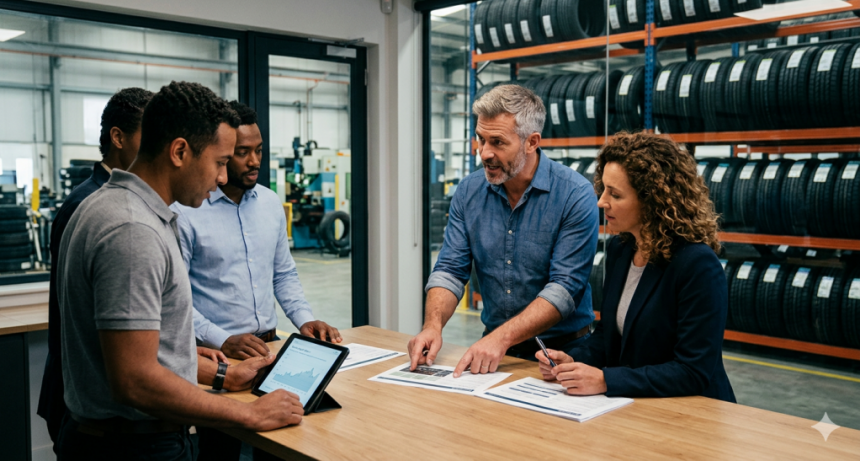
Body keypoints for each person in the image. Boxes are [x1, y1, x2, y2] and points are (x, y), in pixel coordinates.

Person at [55, 81, 304, 460]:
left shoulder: (110, 206)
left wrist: (198, 360)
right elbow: (135, 380)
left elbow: (138, 347)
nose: (223, 178)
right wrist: (247, 414)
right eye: (220, 162)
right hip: (136, 447)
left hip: (123, 438)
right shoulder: (132, 229)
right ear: (179, 152)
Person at [172, 101, 340, 461]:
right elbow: (178, 300)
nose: (254, 161)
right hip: (218, 360)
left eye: (259, 150)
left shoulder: (269, 204)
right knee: (219, 453)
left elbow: (283, 273)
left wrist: (305, 318)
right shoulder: (186, 211)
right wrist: (224, 339)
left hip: (271, 350)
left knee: (282, 444)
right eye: (242, 153)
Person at [407, 84, 599, 377]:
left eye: (497, 142)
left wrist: (501, 337)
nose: (484, 153)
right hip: (496, 349)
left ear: (532, 142)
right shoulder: (469, 192)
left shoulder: (575, 195)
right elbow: (450, 270)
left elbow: (565, 288)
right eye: (480, 139)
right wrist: (432, 326)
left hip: (565, 353)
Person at [536, 132, 736, 403]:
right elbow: (608, 336)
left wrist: (606, 380)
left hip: (692, 411)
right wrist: (573, 360)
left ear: (652, 201)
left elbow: (693, 371)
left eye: (615, 194)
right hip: (637, 403)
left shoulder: (697, 265)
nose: (601, 201)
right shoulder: (621, 250)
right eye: (604, 188)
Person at [38, 87, 154, 444]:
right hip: (91, 402)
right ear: (117, 137)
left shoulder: (121, 199)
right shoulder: (94, 205)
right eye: (148, 138)